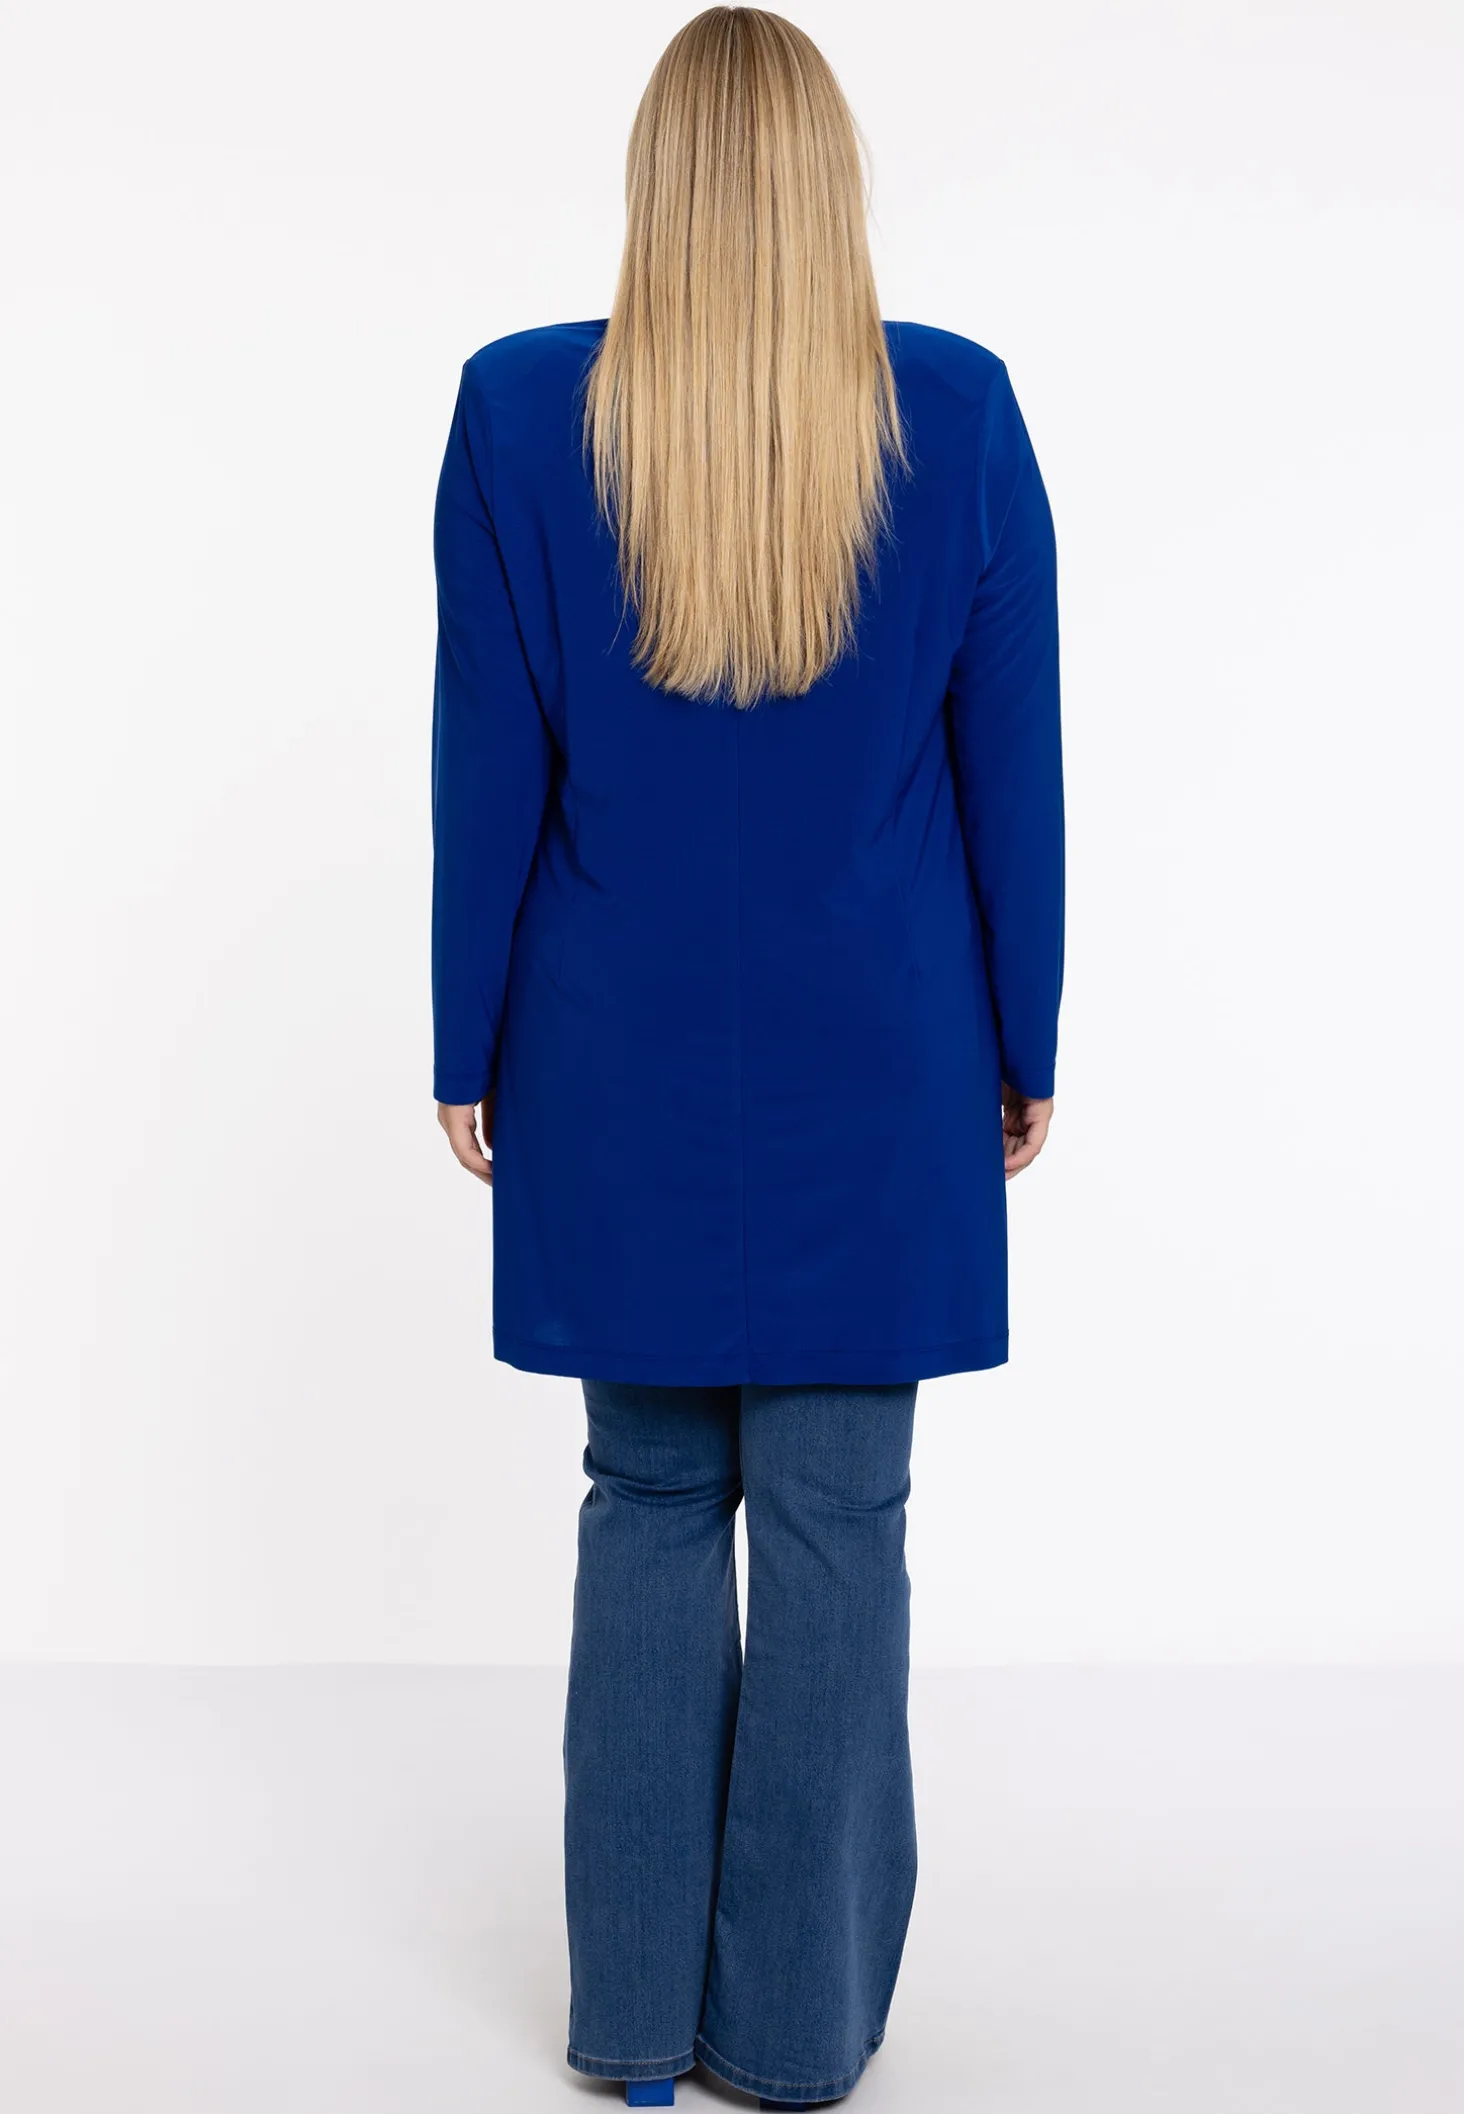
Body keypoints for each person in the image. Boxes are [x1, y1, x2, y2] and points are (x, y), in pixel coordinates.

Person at [429, 9, 1062, 2106]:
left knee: (644, 1495)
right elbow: (1013, 776)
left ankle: (632, 2025)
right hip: (880, 1064)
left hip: (607, 1059)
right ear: (830, 186)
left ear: (658, 187)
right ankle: (788, 2034)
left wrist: (464, 1035)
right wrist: (1029, 1033)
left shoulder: (520, 415)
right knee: (834, 1521)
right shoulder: (955, 413)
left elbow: (485, 766)